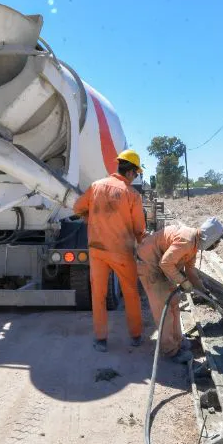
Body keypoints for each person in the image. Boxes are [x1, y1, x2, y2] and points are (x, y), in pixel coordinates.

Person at [73, 149, 147, 352]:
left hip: (97, 251)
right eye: (137, 173)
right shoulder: (132, 194)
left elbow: (77, 207)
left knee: (98, 295)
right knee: (131, 292)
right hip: (122, 252)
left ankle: (101, 339)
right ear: (131, 172)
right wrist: (144, 245)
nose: (136, 177)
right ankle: (135, 335)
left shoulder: (96, 186)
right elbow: (139, 229)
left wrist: (91, 217)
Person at [137, 217, 223, 363]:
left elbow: (191, 271)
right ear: (210, 237)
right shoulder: (187, 241)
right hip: (150, 266)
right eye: (217, 241)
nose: (217, 245)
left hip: (161, 267)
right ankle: (169, 350)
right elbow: (166, 263)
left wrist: (203, 291)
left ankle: (178, 341)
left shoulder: (194, 244)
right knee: (164, 311)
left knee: (174, 302)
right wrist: (183, 282)